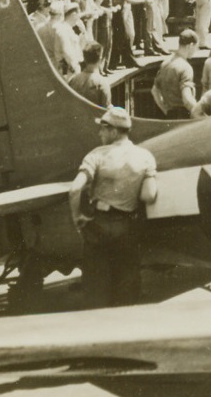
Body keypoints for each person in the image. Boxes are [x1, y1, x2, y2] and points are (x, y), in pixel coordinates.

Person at [68, 107, 158, 308]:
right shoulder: (145, 157)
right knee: (127, 288)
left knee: (96, 289)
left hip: (98, 225)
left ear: (113, 131)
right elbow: (149, 195)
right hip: (127, 227)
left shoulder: (97, 155)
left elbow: (74, 189)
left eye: (103, 129)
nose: (100, 133)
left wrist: (77, 217)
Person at [152, 30, 198, 118]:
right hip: (183, 116)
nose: (196, 50)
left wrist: (165, 109)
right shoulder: (186, 67)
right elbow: (187, 99)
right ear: (190, 45)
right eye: (196, 47)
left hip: (169, 115)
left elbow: (154, 91)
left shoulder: (165, 63)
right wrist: (201, 115)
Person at [68, 44, 112, 108]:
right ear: (100, 59)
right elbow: (106, 110)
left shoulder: (73, 80)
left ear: (85, 59)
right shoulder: (102, 83)